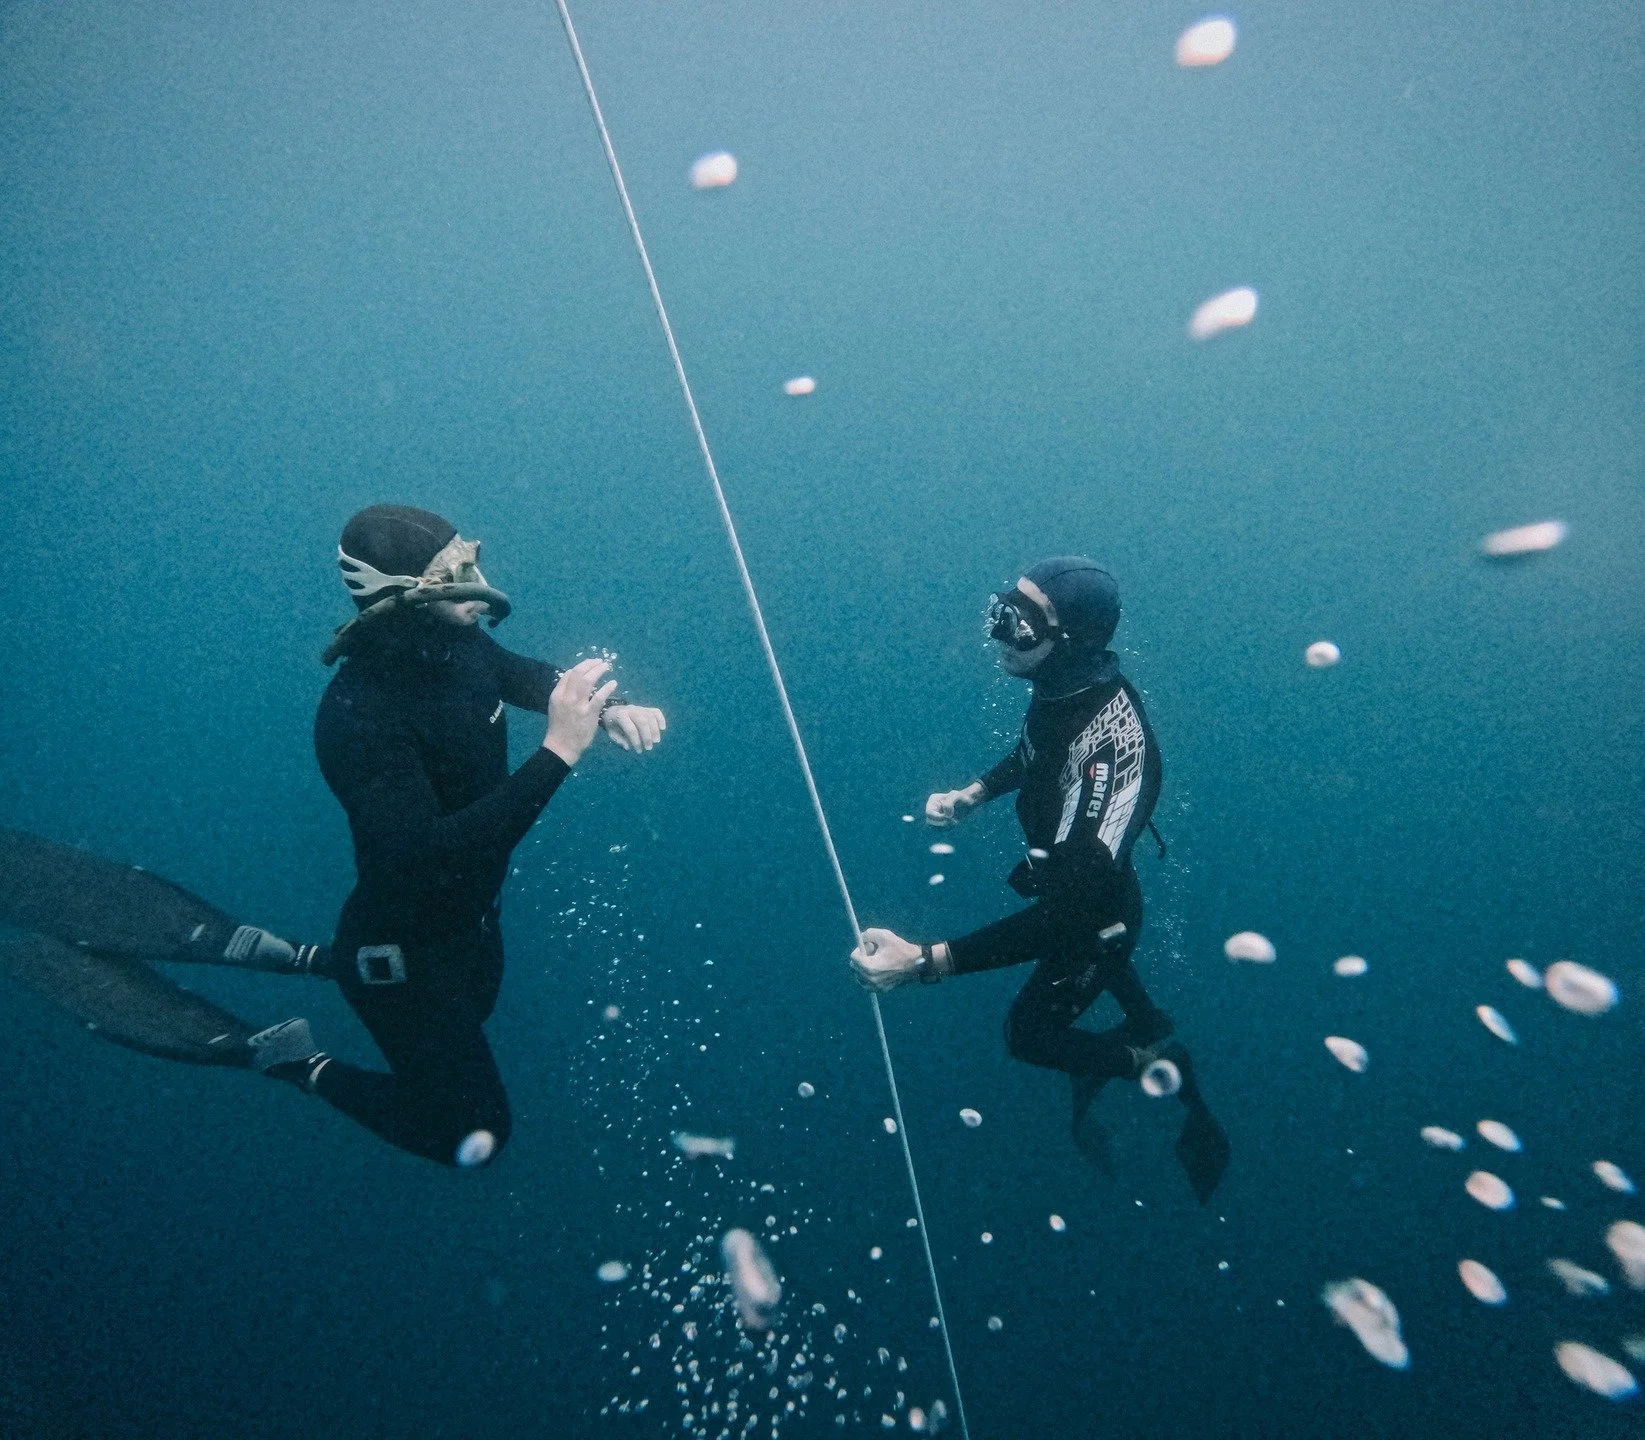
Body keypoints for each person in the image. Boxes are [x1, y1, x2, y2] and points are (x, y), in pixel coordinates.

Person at [0, 504, 665, 1172]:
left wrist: (606, 709)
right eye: (456, 571)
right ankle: (291, 1059)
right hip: (402, 948)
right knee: (473, 1131)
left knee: (477, 1006)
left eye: (472, 560)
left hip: (466, 926)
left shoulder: (457, 639)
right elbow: (429, 858)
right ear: (401, 591)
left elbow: (518, 674)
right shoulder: (360, 715)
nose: (478, 581)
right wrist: (557, 753)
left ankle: (318, 960)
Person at [849, 557, 1228, 1201]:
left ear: (1070, 640)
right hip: (1077, 891)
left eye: (1020, 624)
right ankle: (1145, 1024)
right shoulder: (1065, 690)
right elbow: (1035, 752)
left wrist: (926, 962)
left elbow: (1075, 910)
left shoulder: (1106, 742)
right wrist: (976, 793)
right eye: (1003, 610)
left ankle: (1156, 1066)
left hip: (1094, 915)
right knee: (1102, 971)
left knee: (1029, 1034)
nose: (1000, 633)